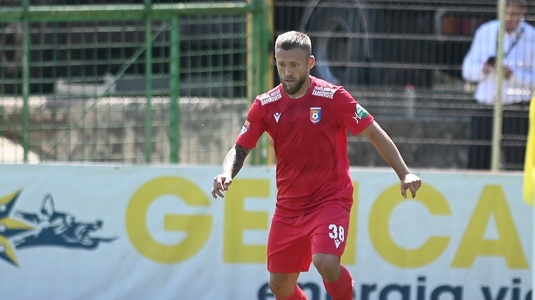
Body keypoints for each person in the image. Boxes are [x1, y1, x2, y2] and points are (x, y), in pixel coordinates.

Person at [211, 31, 422, 300]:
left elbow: (373, 132)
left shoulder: (333, 97)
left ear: (310, 63)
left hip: (330, 199)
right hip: (288, 206)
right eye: (281, 64)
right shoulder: (265, 104)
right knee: (279, 285)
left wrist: (404, 173)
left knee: (326, 261)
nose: (287, 72)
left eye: (294, 65)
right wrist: (226, 172)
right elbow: (240, 147)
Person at [462, 0, 535, 170]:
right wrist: (485, 68)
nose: (510, 18)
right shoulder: (485, 31)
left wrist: (512, 75)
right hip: (486, 107)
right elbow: (467, 71)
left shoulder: (532, 36)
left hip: (517, 109)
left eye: (515, 14)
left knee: (517, 165)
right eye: (507, 13)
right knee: (477, 163)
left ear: (523, 12)